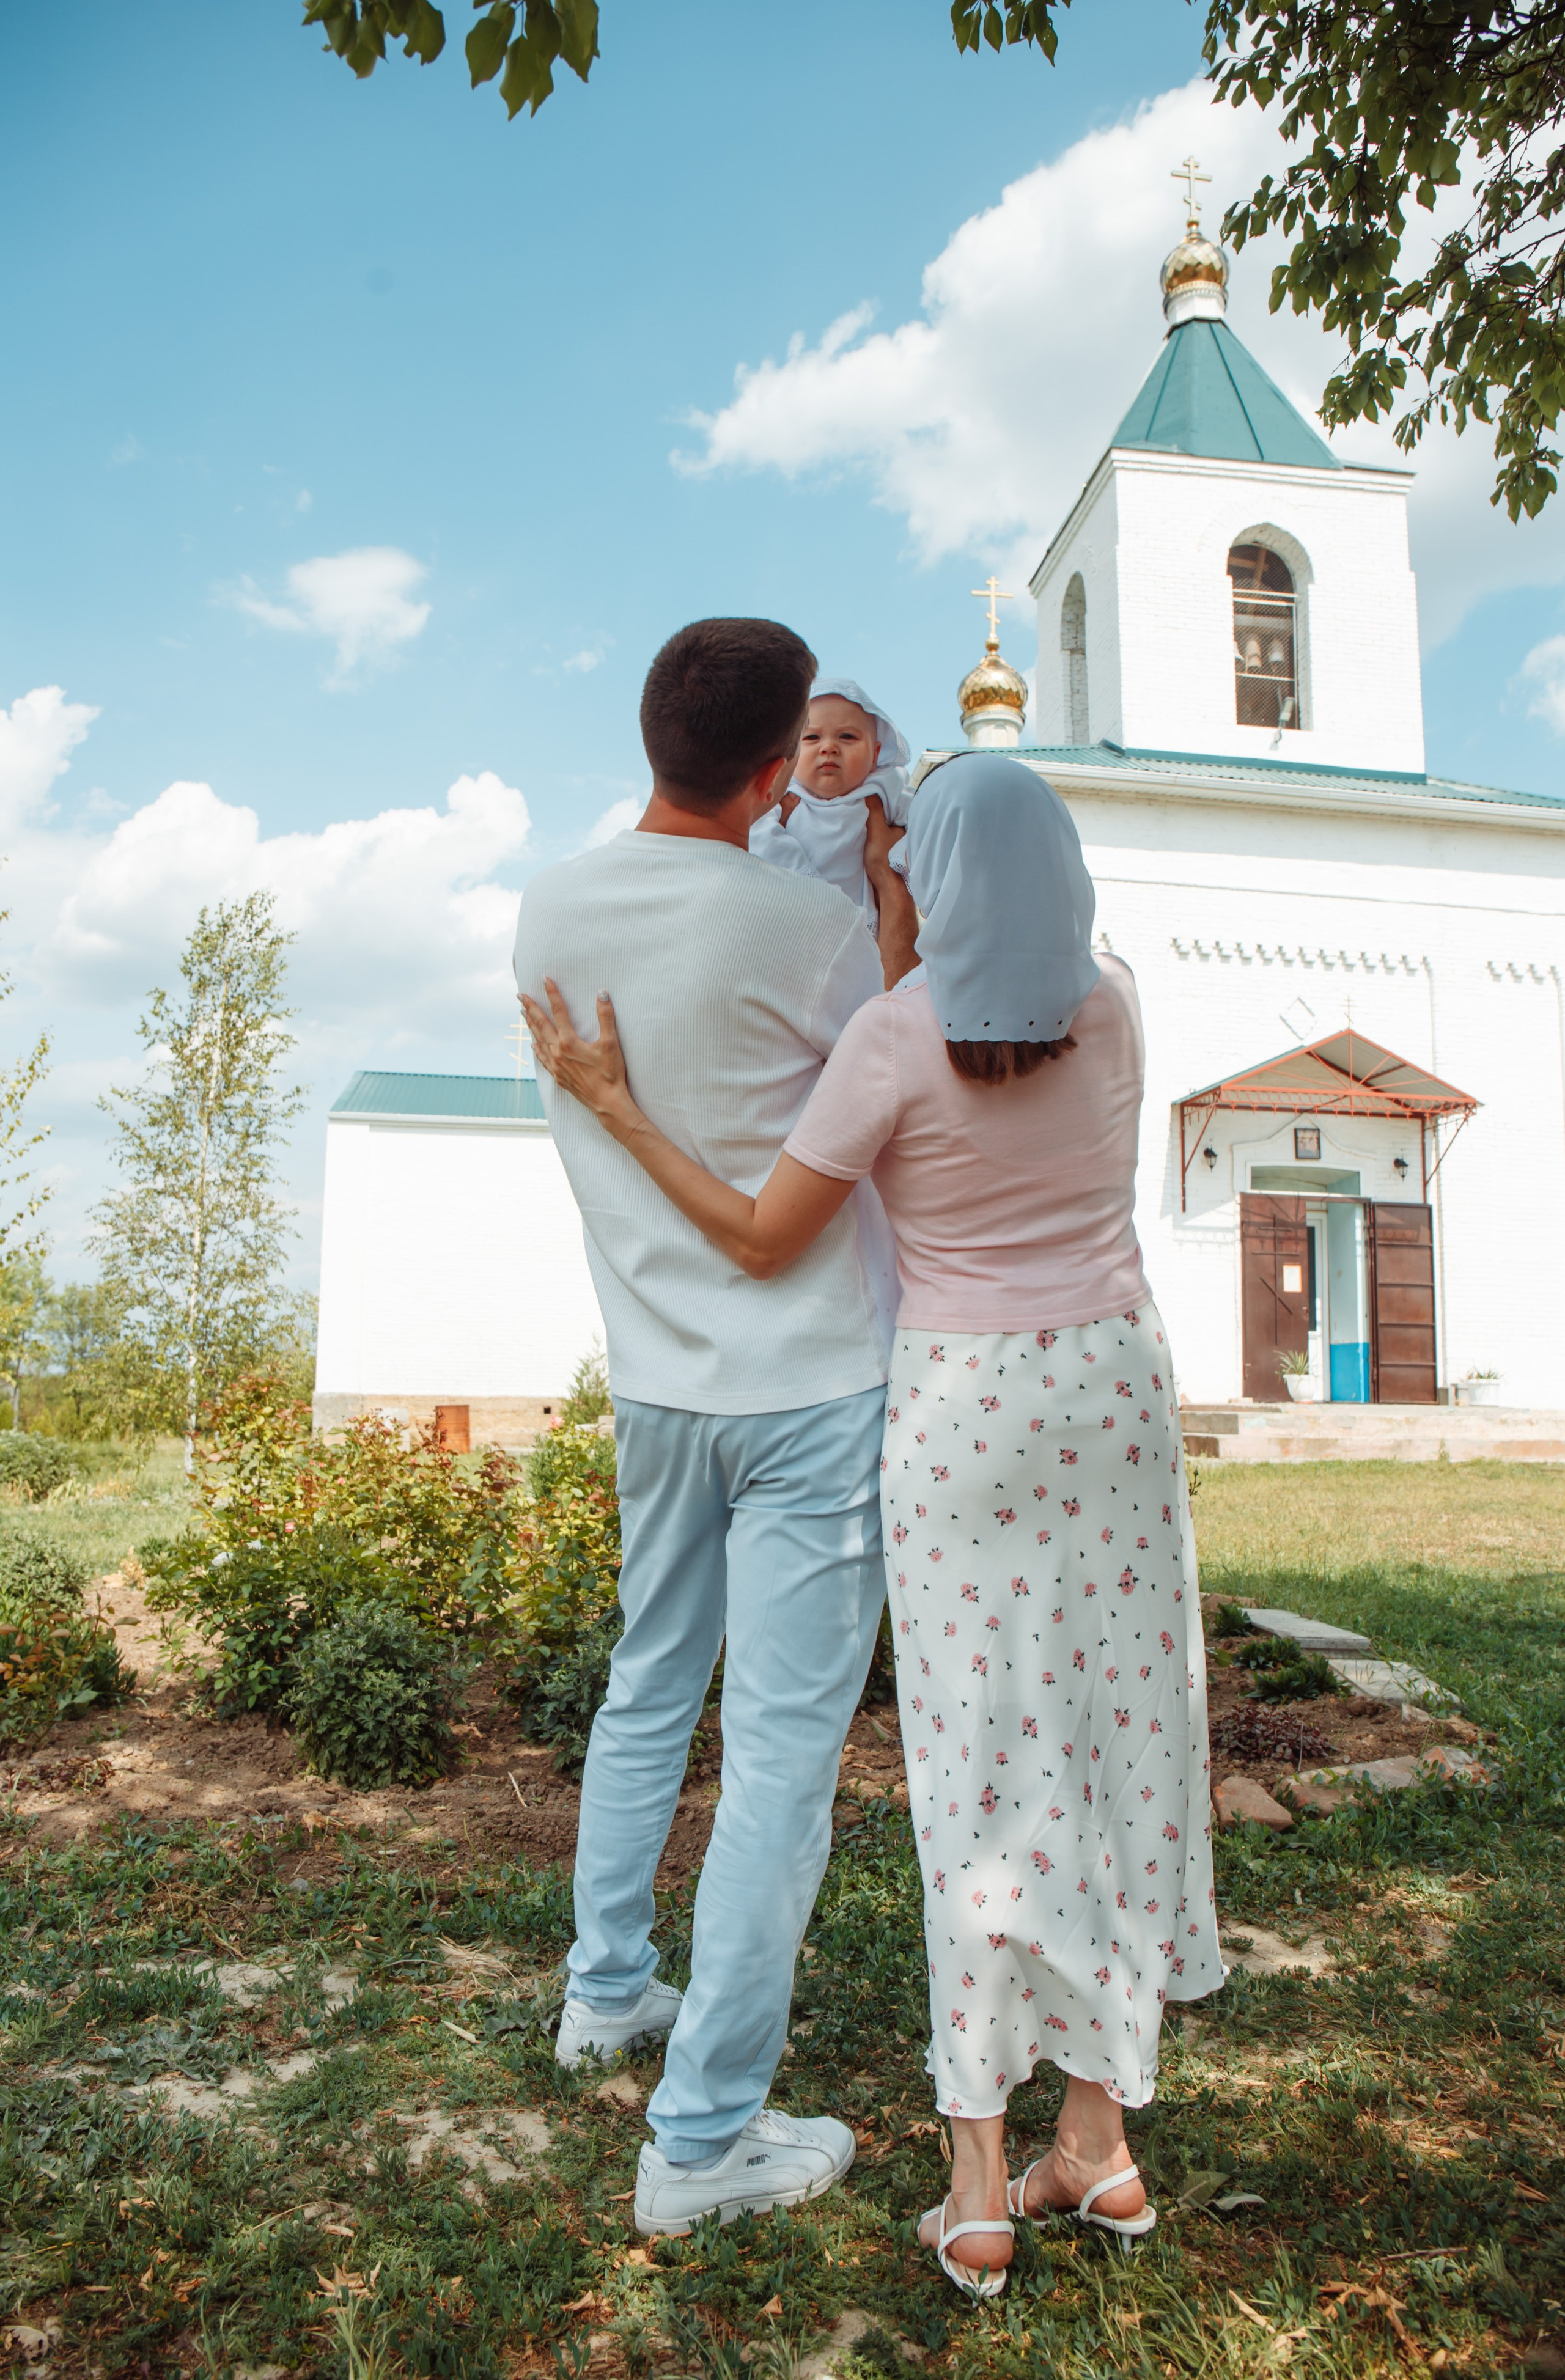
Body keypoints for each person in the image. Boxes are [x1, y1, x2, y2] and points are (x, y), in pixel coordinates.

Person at [522, 751, 1224, 2297]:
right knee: (1118, 1742)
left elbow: (769, 1242)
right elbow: (1016, 979)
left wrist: (616, 1105)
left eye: (906, 844)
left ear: (934, 876)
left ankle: (978, 2181)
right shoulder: (1109, 1001)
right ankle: (1095, 2138)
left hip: (962, 1409)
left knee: (971, 1770)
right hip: (1111, 1390)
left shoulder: (889, 1044)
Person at [512, 616, 919, 2240]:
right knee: (780, 1764)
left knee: (645, 1683)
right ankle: (704, 2135)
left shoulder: (546, 906)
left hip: (656, 1374)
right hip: (812, 1383)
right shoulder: (805, 925)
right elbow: (895, 1086)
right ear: (778, 772)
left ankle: (606, 1985)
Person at [749, 680, 912, 936]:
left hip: (861, 920)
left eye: (847, 737)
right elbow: (759, 836)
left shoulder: (883, 790)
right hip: (794, 908)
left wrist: (903, 860)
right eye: (812, 737)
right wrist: (806, 879)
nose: (829, 748)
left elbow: (920, 824)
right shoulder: (782, 794)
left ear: (875, 755)